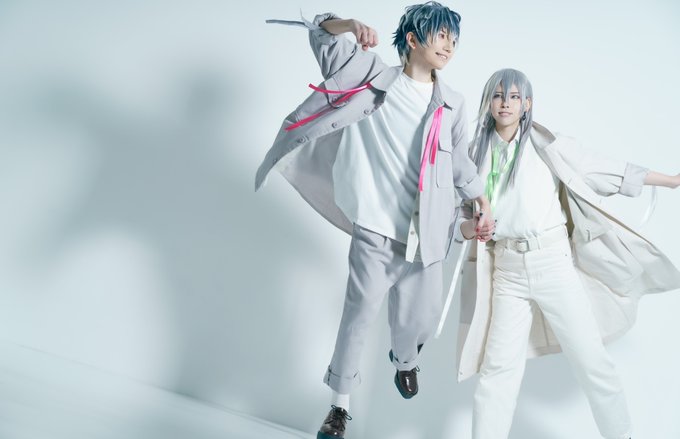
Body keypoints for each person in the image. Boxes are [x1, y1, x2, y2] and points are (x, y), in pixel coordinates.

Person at [255, 3, 492, 438]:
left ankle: (405, 360)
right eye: (441, 36)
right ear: (414, 39)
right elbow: (322, 35)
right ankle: (338, 409)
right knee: (357, 316)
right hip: (374, 230)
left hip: (425, 234)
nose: (449, 46)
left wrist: (482, 200)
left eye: (454, 40)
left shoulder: (452, 105)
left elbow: (459, 162)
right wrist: (349, 25)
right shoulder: (369, 75)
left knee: (419, 320)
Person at [453, 68, 680, 439]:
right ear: (488, 102)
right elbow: (459, 217)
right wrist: (471, 228)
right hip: (506, 271)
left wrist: (671, 180)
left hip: (552, 263)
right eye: (498, 95)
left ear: (527, 104)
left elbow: (604, 168)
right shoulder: (473, 154)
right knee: (498, 372)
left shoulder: (547, 146)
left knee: (592, 362)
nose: (505, 103)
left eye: (514, 96)